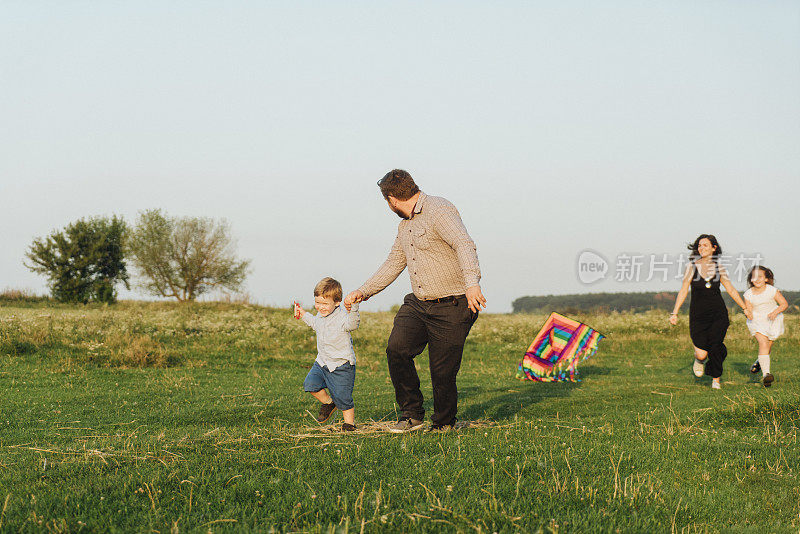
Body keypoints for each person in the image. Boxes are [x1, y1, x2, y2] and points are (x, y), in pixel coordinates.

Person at [343, 169, 486, 433]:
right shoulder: (405, 225)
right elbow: (394, 262)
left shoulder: (439, 210)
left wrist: (472, 283)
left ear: (391, 200)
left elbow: (464, 243)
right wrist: (363, 292)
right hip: (419, 304)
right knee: (397, 349)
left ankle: (444, 423)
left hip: (453, 304)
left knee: (442, 372)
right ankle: (412, 414)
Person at [669, 234, 751, 389]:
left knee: (715, 345)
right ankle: (699, 361)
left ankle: (716, 380)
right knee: (702, 354)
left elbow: (731, 289)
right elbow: (683, 290)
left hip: (718, 314)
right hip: (698, 316)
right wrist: (675, 312)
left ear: (714, 248)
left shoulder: (719, 267)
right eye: (699, 245)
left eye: (705, 245)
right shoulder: (691, 267)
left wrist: (745, 308)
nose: (701, 248)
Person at [294, 277, 360, 431]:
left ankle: (349, 424)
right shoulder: (320, 316)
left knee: (343, 397)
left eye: (325, 303)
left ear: (337, 302)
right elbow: (314, 323)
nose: (320, 307)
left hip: (341, 364)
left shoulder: (343, 317)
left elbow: (353, 324)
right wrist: (303, 313)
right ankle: (329, 403)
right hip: (322, 362)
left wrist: (355, 307)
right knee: (310, 385)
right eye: (317, 303)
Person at [744, 266, 788, 387]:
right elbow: (749, 309)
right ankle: (766, 375)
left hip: (772, 319)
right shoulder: (748, 294)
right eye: (754, 277)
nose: (757, 279)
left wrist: (775, 312)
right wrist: (748, 312)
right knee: (763, 344)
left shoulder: (772, 290)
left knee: (767, 347)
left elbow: (784, 304)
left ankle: (759, 362)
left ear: (766, 279)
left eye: (760, 277)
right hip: (757, 321)